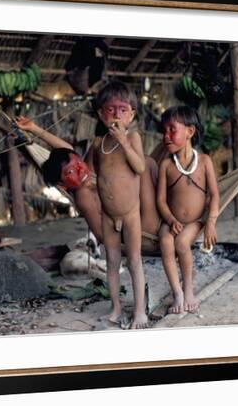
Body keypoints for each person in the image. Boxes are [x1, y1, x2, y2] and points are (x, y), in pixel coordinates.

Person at [14, 119, 161, 246]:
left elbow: (68, 150)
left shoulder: (87, 174)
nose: (80, 170)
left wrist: (34, 128)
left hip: (142, 216)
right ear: (62, 185)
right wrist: (121, 250)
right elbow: (102, 235)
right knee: (146, 164)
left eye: (78, 163)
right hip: (143, 234)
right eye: (71, 172)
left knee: (148, 160)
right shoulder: (83, 195)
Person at [84, 80, 149, 329]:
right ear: (101, 114)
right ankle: (115, 307)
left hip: (131, 214)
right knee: (112, 262)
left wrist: (123, 141)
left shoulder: (133, 137)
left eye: (123, 110)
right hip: (108, 215)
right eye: (111, 110)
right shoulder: (97, 145)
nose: (116, 115)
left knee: (134, 261)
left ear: (131, 115)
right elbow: (91, 173)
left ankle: (140, 312)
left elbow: (140, 167)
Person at [156, 105, 220, 314]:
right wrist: (170, 219)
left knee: (182, 243)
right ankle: (177, 293)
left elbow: (214, 195)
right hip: (171, 221)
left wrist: (210, 223)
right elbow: (161, 201)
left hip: (195, 221)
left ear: (190, 132)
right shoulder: (166, 165)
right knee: (165, 241)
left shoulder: (204, 161)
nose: (166, 136)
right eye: (164, 131)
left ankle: (188, 289)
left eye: (172, 130)